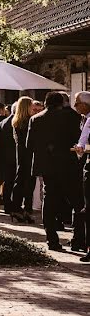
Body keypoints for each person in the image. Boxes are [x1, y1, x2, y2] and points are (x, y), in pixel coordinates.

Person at [26, 91, 85, 251]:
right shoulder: (71, 117)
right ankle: (78, 239)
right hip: (69, 165)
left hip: (47, 167)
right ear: (62, 103)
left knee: (49, 202)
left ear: (45, 103)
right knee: (78, 202)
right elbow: (79, 140)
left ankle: (52, 240)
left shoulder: (35, 119)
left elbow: (29, 145)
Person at [73, 91, 90, 262]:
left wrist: (81, 148)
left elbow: (83, 144)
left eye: (77, 103)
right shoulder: (84, 119)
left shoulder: (89, 120)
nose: (75, 106)